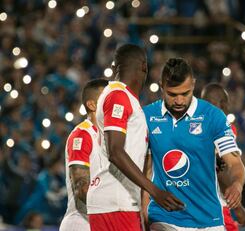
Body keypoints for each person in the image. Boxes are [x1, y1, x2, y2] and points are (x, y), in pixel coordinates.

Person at [87, 44, 183, 231]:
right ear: (144, 66)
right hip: (115, 203)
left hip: (120, 202)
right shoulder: (118, 96)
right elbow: (115, 151)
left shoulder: (125, 98)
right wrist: (154, 191)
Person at [143, 58, 245, 230]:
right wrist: (143, 207)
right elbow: (146, 168)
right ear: (161, 86)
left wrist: (237, 184)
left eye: (185, 93)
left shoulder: (213, 116)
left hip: (208, 218)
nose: (179, 101)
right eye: (172, 94)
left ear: (194, 84)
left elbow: (234, 162)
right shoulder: (146, 116)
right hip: (164, 217)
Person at [59, 78, 108, 231]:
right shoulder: (82, 135)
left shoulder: (111, 138)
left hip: (101, 222)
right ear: (92, 105)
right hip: (81, 223)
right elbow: (82, 188)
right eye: (107, 99)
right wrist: (115, 209)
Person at [201, 83, 245, 230]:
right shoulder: (223, 127)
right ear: (223, 104)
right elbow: (219, 168)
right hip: (214, 207)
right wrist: (238, 208)